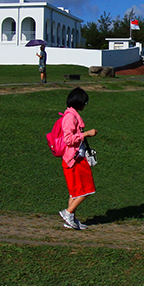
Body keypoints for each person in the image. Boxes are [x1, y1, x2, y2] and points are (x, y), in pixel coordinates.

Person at [57, 87, 98, 230]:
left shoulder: (72, 115)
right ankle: (68, 213)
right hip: (74, 159)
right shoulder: (70, 118)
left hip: (74, 158)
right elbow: (68, 139)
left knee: (74, 192)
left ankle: (71, 219)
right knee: (87, 189)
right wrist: (86, 134)